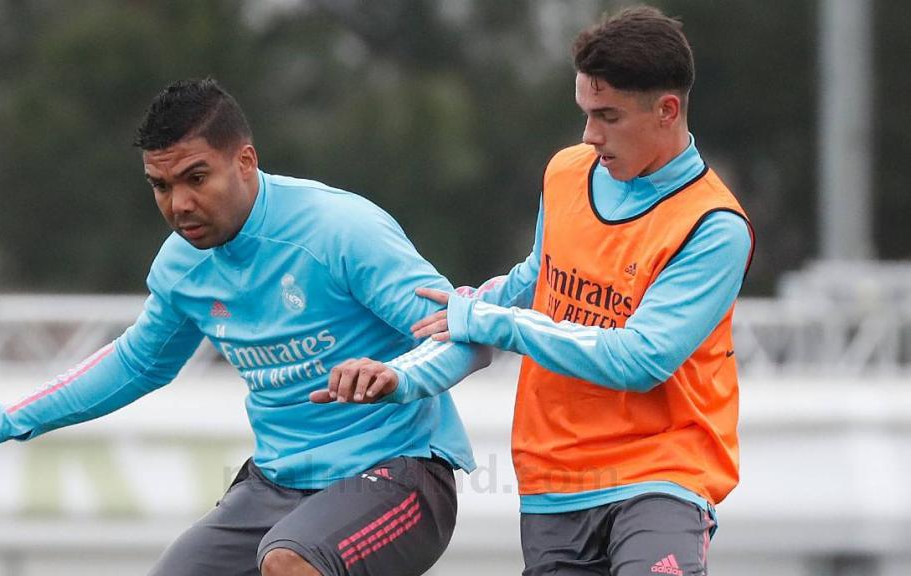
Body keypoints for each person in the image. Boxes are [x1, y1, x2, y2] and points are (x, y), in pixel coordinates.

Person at [0, 77, 491, 576]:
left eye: (196, 178)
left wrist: (394, 376)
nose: (179, 205)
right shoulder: (180, 265)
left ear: (245, 161)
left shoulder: (341, 231)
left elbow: (467, 339)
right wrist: (0, 420)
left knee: (292, 560)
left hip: (399, 476)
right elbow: (135, 362)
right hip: (277, 487)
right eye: (161, 186)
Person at [320, 6, 755, 576]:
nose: (589, 135)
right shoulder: (567, 172)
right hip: (554, 477)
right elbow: (529, 287)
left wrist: (489, 322)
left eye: (607, 116)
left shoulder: (714, 226)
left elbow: (640, 358)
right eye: (584, 113)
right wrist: (402, 377)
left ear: (666, 110)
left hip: (663, 473)